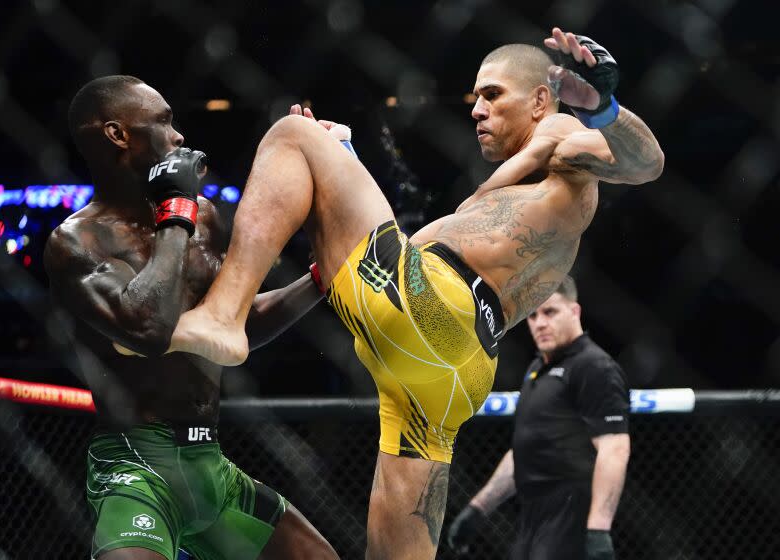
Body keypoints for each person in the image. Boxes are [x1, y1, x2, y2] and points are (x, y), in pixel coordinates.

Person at [169, 27, 664, 559]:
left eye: (493, 95)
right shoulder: (514, 197)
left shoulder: (563, 135)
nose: (476, 110)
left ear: (541, 100)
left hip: (434, 307)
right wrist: (343, 165)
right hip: (460, 367)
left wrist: (604, 107)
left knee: (292, 134)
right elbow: (407, 246)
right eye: (476, 98)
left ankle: (222, 314)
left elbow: (644, 164)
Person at [44, 75, 338, 560]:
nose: (178, 136)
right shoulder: (77, 243)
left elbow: (233, 323)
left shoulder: (205, 218)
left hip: (212, 464)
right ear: (119, 135)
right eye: (162, 122)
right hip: (136, 466)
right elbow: (147, 327)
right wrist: (174, 212)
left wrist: (321, 279)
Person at [446, 278, 631, 559]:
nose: (539, 323)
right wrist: (477, 509)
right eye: (532, 315)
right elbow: (524, 450)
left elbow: (614, 448)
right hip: (533, 520)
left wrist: (598, 530)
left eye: (550, 312)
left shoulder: (593, 367)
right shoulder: (536, 369)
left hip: (572, 516)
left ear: (575, 312)